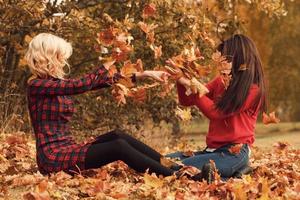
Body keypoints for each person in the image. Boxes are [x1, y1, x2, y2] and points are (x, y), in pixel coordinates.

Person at [25, 33, 177, 176]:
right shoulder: (36, 85)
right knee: (119, 147)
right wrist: (110, 61)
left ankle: (173, 166)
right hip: (52, 158)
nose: (63, 61)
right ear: (48, 57)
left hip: (68, 148)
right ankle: (174, 176)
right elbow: (80, 85)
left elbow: (100, 82)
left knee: (118, 134)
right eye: (60, 56)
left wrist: (145, 74)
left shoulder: (56, 83)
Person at [167, 34, 267, 182]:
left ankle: (231, 174)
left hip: (234, 154)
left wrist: (191, 84)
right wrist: (181, 79)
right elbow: (186, 100)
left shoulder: (252, 89)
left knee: (175, 167)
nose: (221, 64)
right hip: (211, 151)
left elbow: (216, 112)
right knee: (165, 160)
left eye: (225, 59)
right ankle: (234, 175)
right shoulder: (220, 82)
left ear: (238, 58)